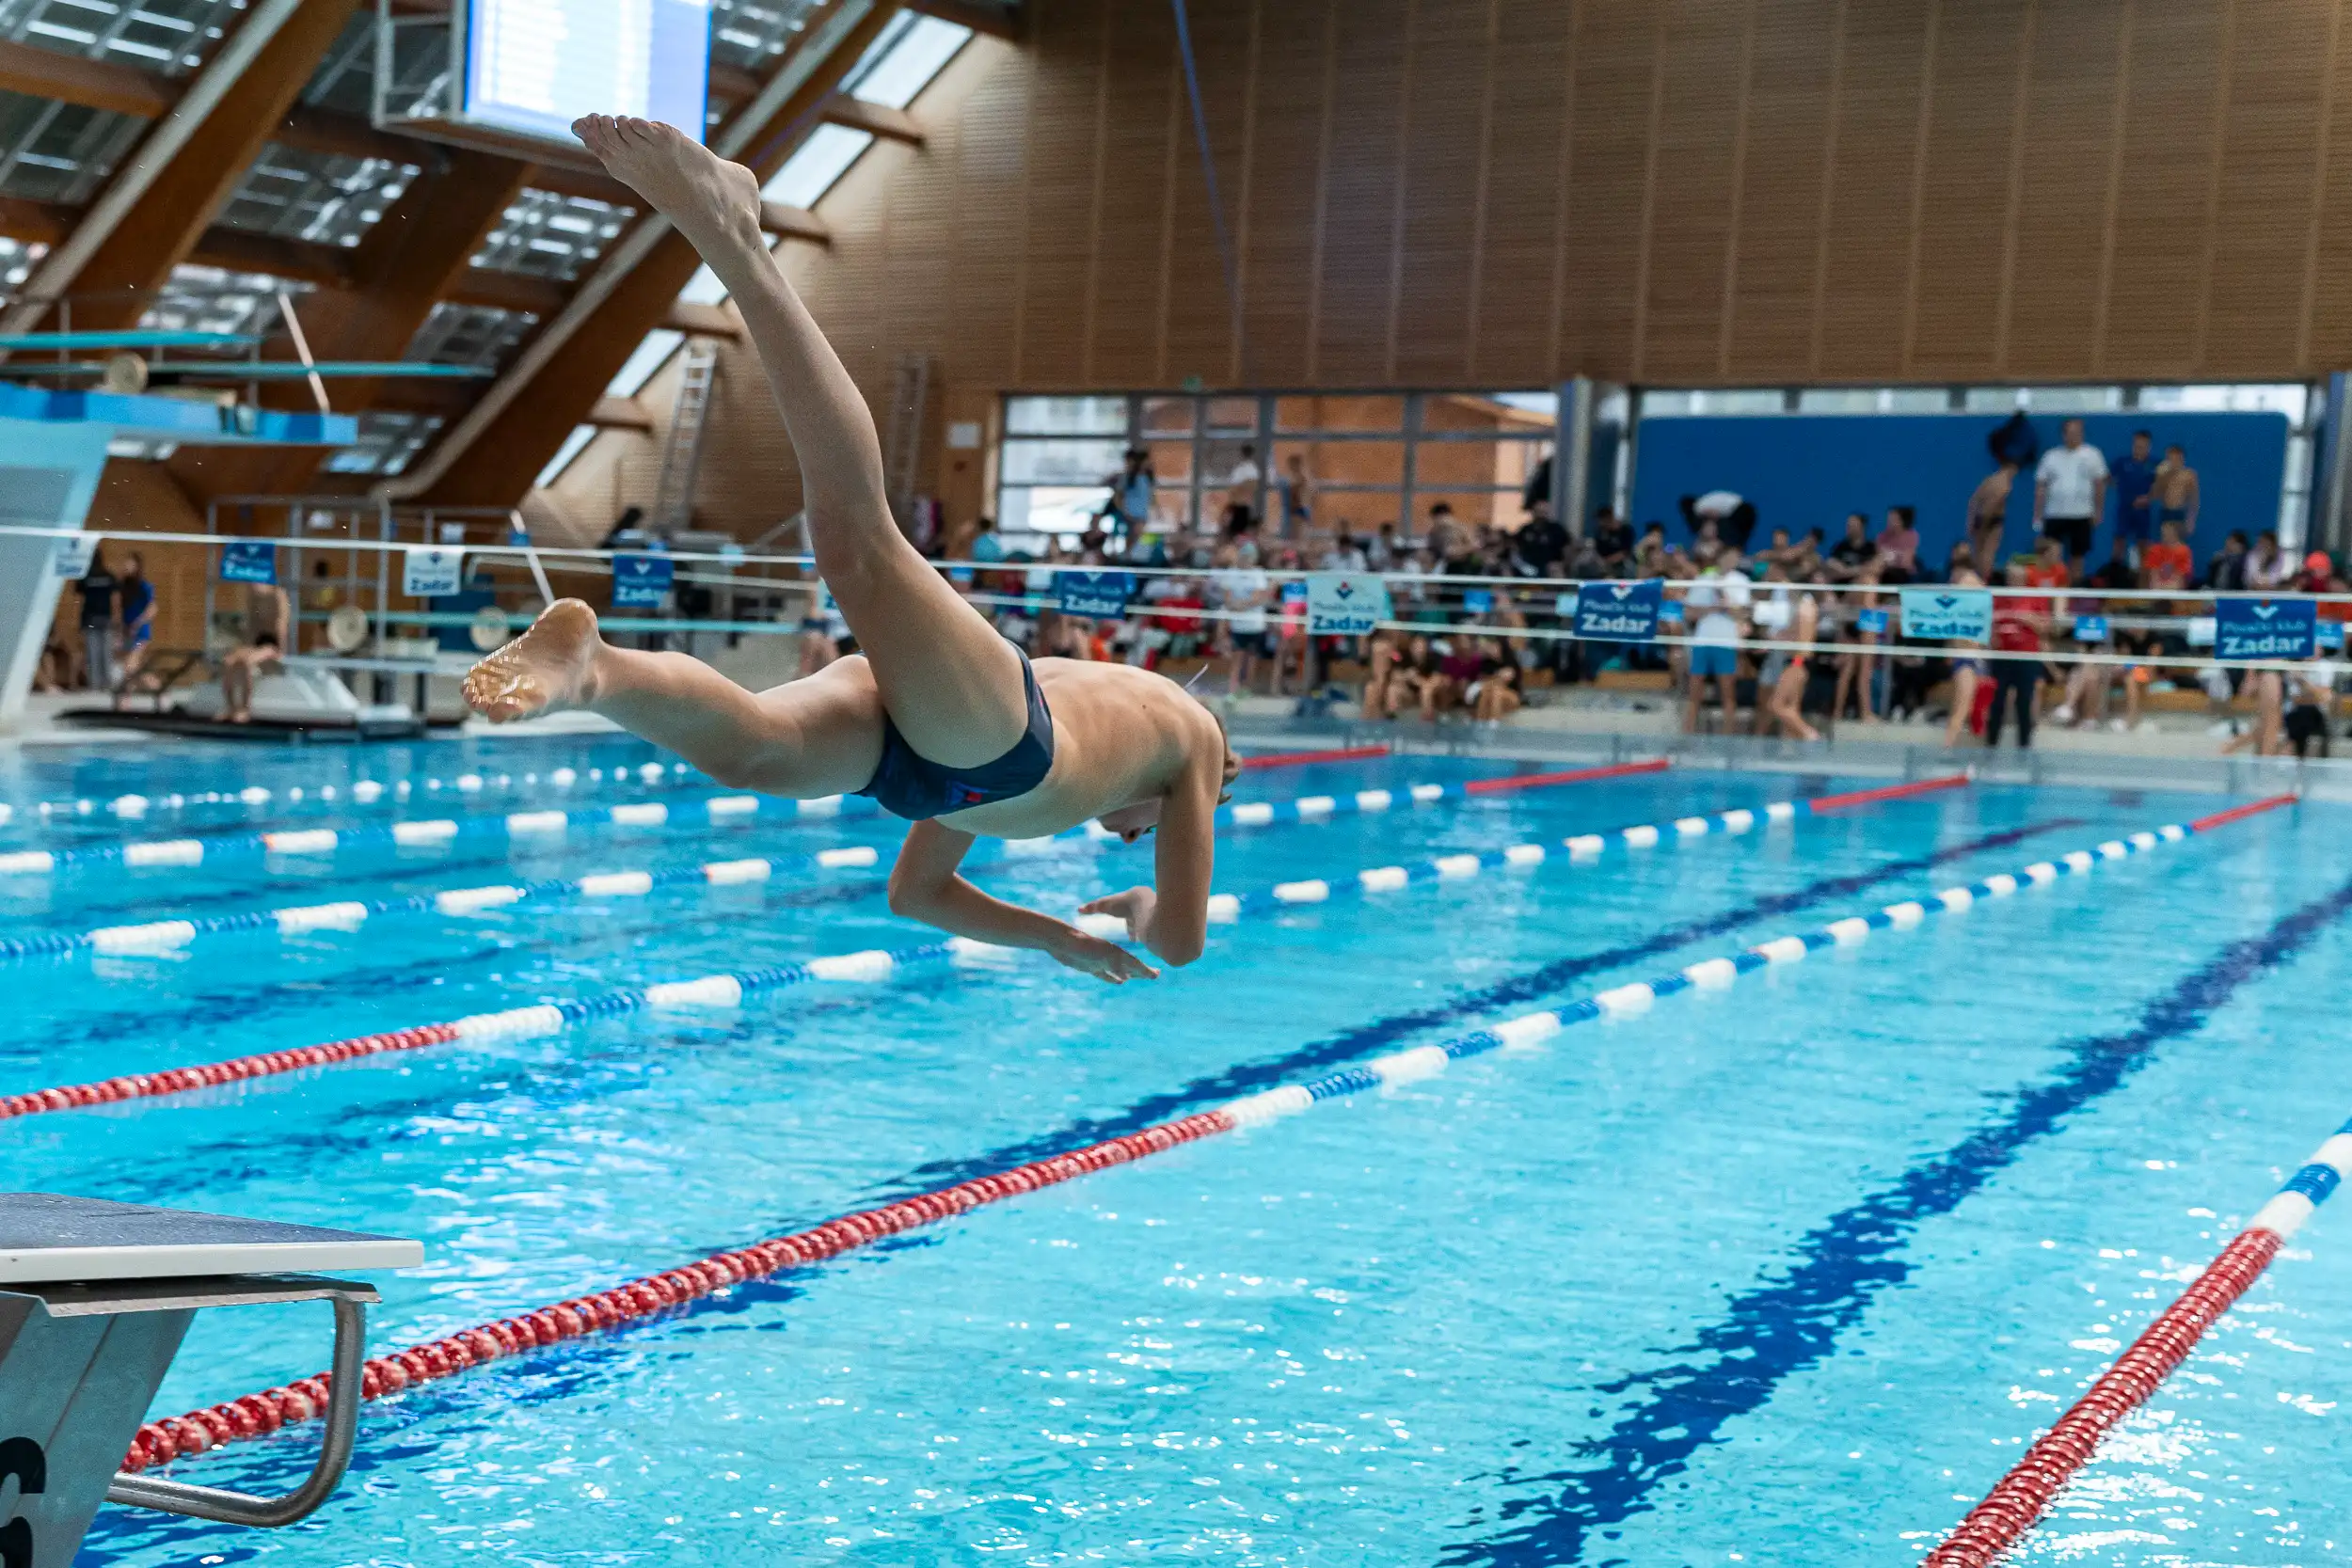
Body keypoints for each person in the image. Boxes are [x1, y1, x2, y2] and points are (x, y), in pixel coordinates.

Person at [467, 115, 1237, 983]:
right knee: (854, 538)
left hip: (953, 755)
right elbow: (1181, 941)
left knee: (752, 748)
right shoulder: (1193, 743)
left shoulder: (1094, 727)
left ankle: (593, 669)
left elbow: (916, 893)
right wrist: (1140, 908)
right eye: (1136, 833)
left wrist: (1055, 936)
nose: (1118, 831)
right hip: (1006, 742)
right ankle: (734, 234)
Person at [1682, 548, 1750, 734]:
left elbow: (1743, 614)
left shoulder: (1741, 582)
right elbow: (1689, 613)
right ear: (1720, 558)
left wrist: (1725, 602)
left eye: (1735, 558)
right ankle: (1686, 735)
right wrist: (1712, 609)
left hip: (1726, 642)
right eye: (1728, 557)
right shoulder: (1703, 580)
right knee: (1694, 693)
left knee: (1728, 694)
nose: (1731, 561)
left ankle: (1727, 738)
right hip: (1702, 641)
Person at [2035, 418, 2107, 570]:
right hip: (2055, 513)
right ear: (2063, 434)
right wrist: (2038, 515)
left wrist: (2098, 511)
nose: (2074, 436)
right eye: (2070, 432)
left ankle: (2075, 589)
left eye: (2077, 432)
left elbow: (2100, 485)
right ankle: (2052, 590)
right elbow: (2041, 487)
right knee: (2050, 553)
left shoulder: (2093, 454)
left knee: (2078, 555)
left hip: (2082, 514)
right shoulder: (2051, 456)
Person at [221, 578, 288, 723]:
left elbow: (281, 624)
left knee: (246, 662)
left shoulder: (278, 594)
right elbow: (251, 626)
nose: (253, 586)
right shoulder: (252, 596)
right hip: (256, 643)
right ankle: (231, 707)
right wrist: (245, 647)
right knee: (229, 660)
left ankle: (245, 708)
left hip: (272, 644)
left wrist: (281, 650)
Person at [1941, 565, 1991, 751]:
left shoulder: (1979, 612)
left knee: (1978, 714)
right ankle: (1947, 749)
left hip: (1980, 662)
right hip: (1965, 661)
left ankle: (1978, 756)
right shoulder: (1958, 612)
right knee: (1961, 709)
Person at [114, 551, 156, 708]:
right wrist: (118, 633)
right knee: (135, 668)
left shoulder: (145, 586)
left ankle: (125, 700)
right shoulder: (122, 587)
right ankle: (158, 688)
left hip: (141, 633)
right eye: (125, 563)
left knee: (130, 665)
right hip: (127, 632)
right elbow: (119, 612)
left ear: (137, 566)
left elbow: (152, 608)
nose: (126, 566)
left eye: (130, 563)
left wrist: (138, 622)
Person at [1966, 457, 2019, 581]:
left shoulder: (1989, 480)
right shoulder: (2005, 485)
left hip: (1980, 518)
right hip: (1991, 520)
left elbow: (1973, 500)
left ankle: (1977, 579)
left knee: (1977, 552)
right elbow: (1992, 505)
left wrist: (1971, 521)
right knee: (1988, 553)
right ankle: (1984, 581)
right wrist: (1985, 524)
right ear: (2011, 469)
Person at [2110, 429, 2158, 562]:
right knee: (2119, 542)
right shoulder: (2122, 462)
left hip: (2143, 511)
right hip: (2124, 509)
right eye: (2136, 445)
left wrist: (2149, 497)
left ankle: (2144, 579)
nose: (2139, 448)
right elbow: (2108, 478)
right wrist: (2121, 489)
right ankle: (2116, 574)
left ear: (2148, 446)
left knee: (2144, 545)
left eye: (2142, 446)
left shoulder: (2155, 465)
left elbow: (2160, 486)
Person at [77, 548, 119, 694]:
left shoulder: (84, 577)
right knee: (106, 652)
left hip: (90, 617)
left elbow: (80, 599)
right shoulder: (109, 576)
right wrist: (115, 617)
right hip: (105, 617)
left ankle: (94, 684)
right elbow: (115, 599)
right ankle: (107, 683)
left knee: (92, 652)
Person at [2153, 442, 2199, 542]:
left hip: (2180, 512)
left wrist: (2191, 520)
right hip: (2166, 511)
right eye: (2170, 458)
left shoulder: (2189, 475)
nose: (2173, 461)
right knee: (2165, 544)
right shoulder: (2162, 474)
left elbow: (2194, 499)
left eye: (2175, 458)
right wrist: (2159, 478)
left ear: (2181, 459)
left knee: (2179, 545)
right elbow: (2155, 495)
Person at [1514, 502, 1568, 577]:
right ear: (1533, 512)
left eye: (1543, 512)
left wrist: (1563, 563)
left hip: (1550, 565)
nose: (1541, 515)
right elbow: (1515, 548)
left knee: (1556, 571)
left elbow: (1567, 548)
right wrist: (1522, 564)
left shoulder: (1556, 529)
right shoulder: (1525, 530)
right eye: (1538, 512)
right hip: (1527, 565)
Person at [1825, 512, 1875, 581]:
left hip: (1859, 586)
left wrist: (1847, 571)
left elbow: (1871, 568)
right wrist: (1851, 571)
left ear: (1862, 527)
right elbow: (1831, 562)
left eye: (1853, 524)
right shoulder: (1841, 546)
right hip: (1839, 585)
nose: (1848, 527)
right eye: (1848, 525)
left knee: (1869, 580)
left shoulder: (1871, 547)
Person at [1275, 451, 1314, 536]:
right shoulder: (1292, 478)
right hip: (1294, 510)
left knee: (1297, 536)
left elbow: (1304, 497)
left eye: (1294, 464)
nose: (1292, 467)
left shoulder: (1302, 479)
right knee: (1292, 535)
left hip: (1298, 509)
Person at [1876, 505, 1920, 578]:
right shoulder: (1881, 537)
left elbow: (1906, 563)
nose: (1889, 521)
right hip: (1882, 572)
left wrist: (1890, 559)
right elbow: (1878, 558)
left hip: (1903, 573)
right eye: (1889, 519)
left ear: (1901, 521)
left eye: (1893, 519)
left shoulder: (1911, 536)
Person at [1592, 506, 1634, 572]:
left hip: (1621, 562)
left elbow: (1625, 552)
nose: (1602, 524)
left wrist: (1608, 561)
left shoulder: (1626, 530)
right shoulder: (1601, 532)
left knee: (1629, 566)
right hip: (1603, 563)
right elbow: (1598, 551)